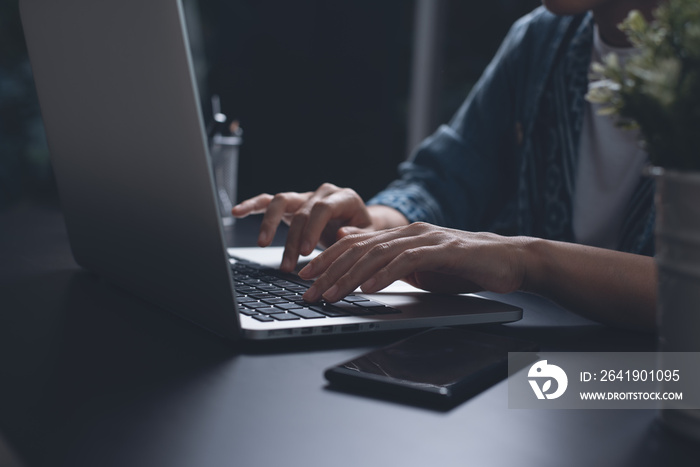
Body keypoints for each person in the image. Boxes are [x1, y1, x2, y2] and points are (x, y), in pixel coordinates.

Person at [232, 0, 663, 332]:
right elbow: (447, 179)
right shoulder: (544, 39)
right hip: (545, 371)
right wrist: (375, 227)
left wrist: (525, 261)